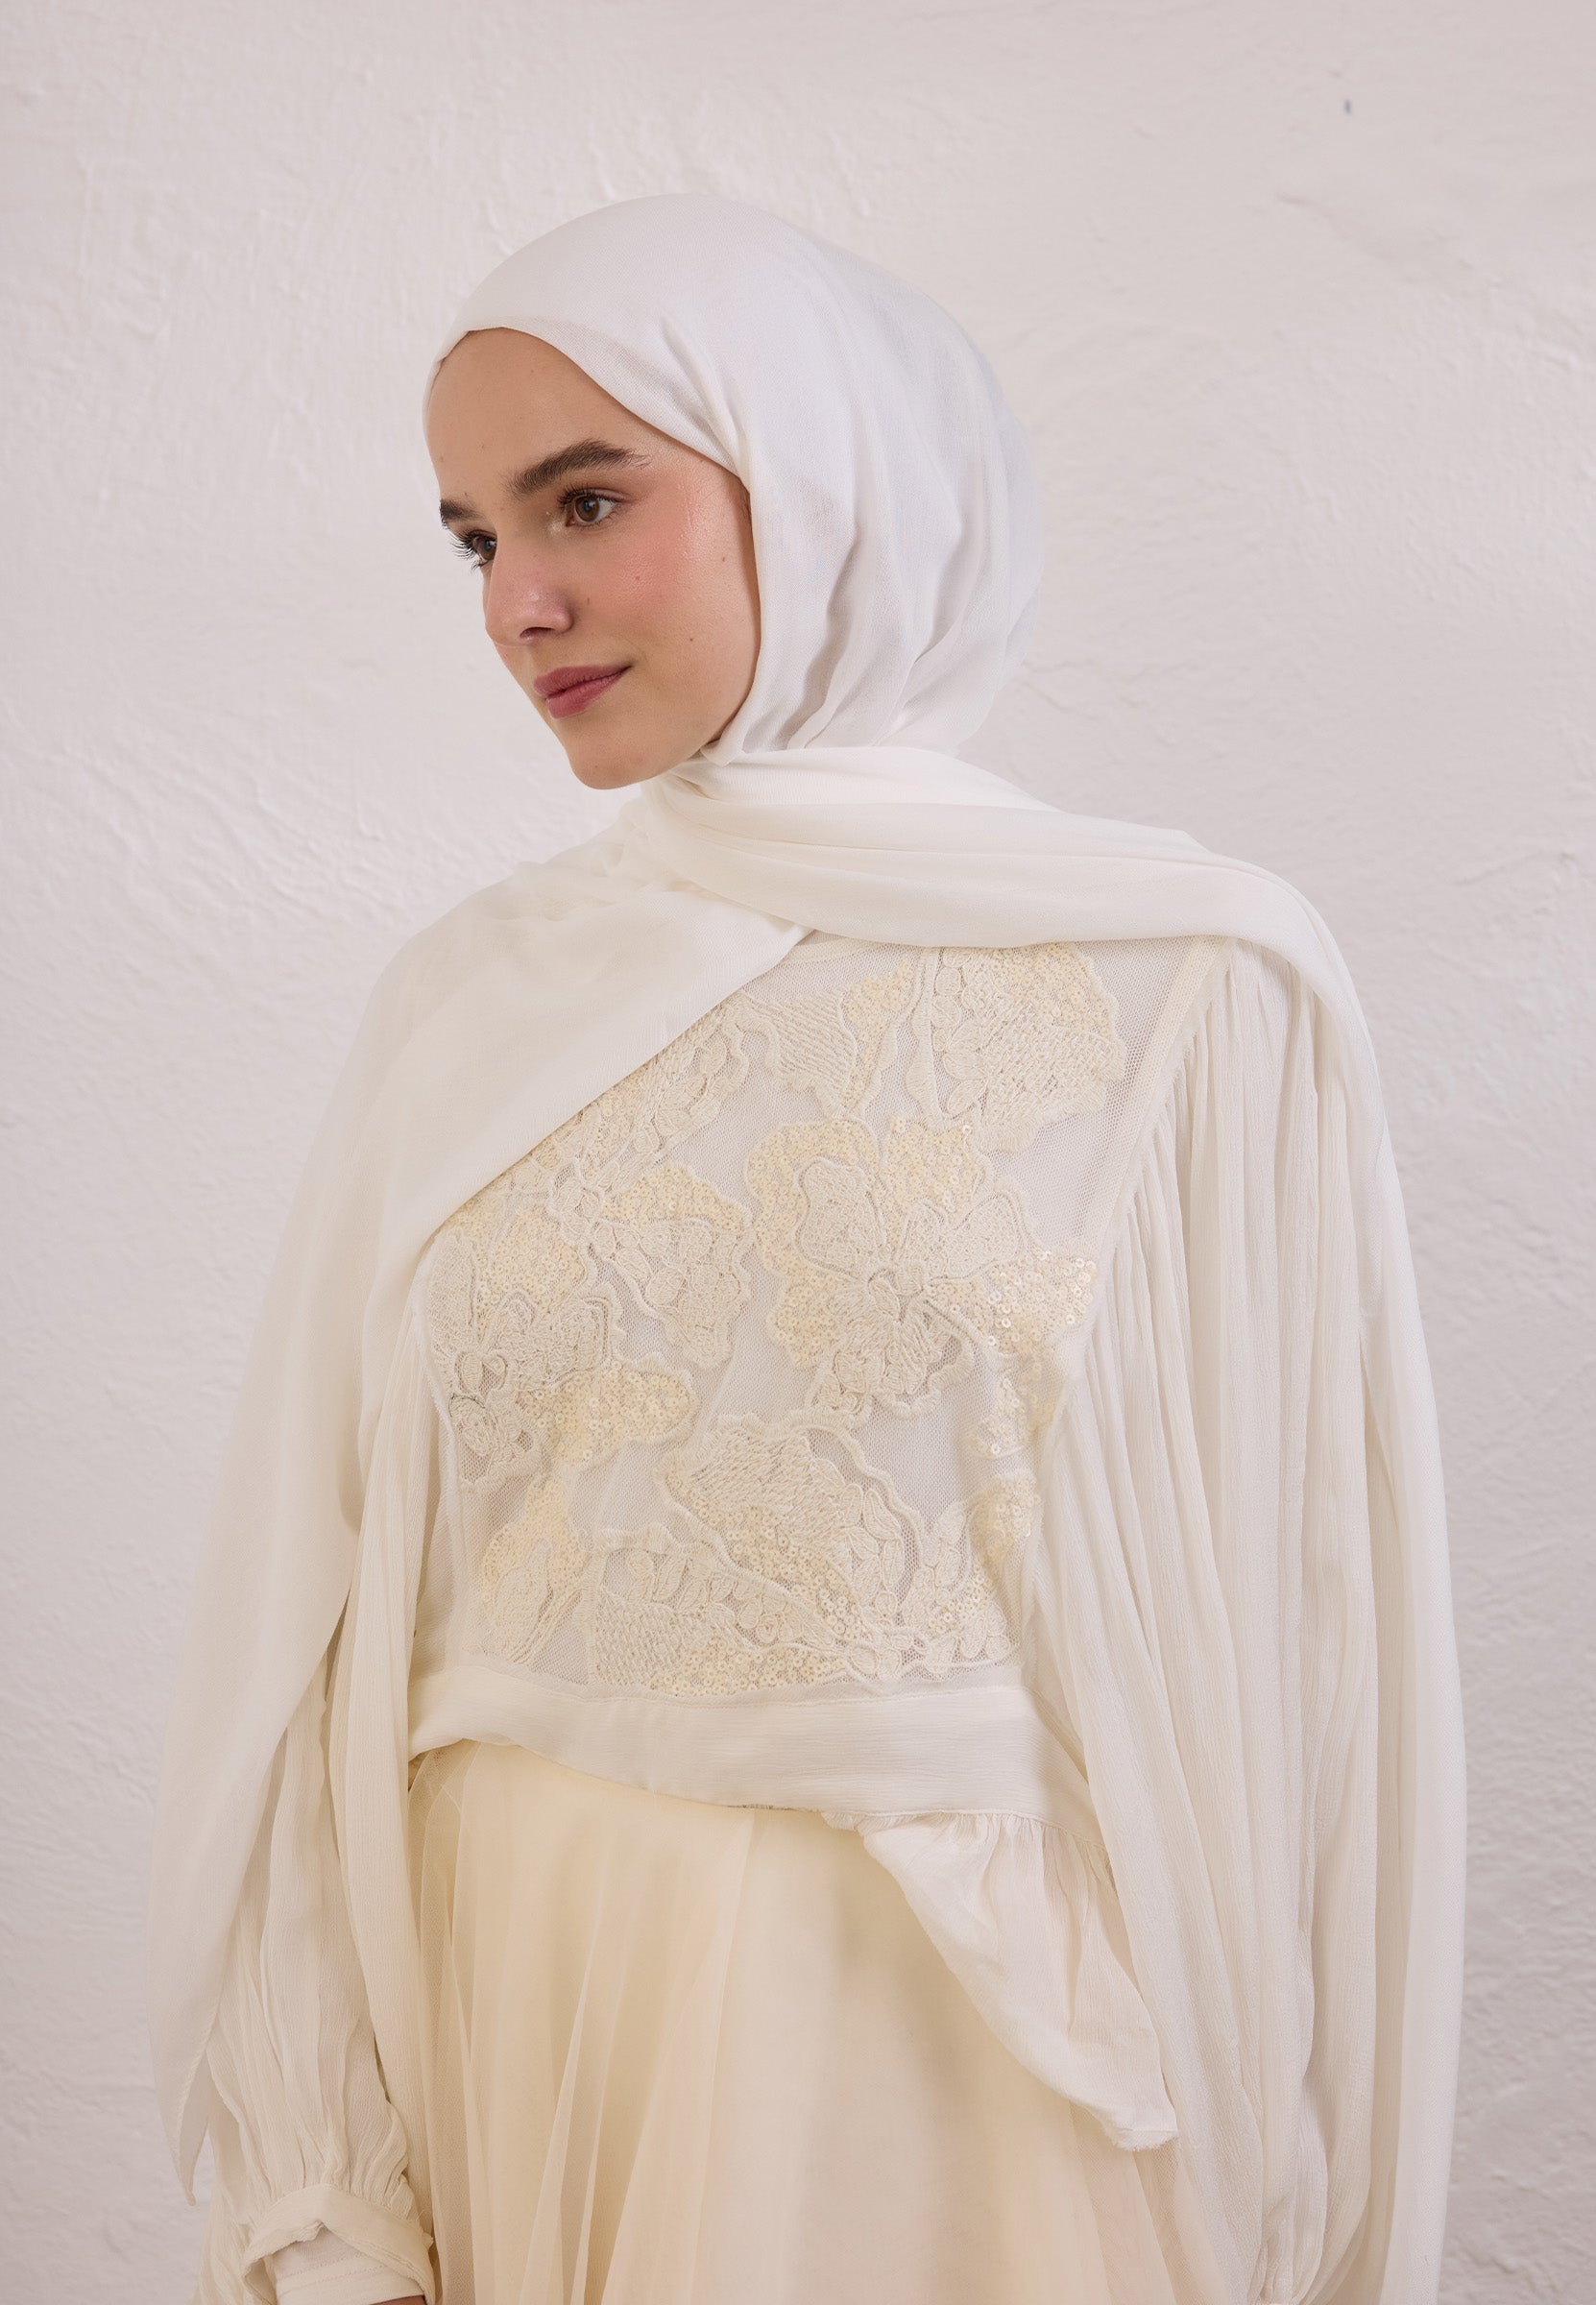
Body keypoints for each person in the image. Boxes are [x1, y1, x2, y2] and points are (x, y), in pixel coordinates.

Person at [146, 193, 1464, 2305]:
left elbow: (1290, 1655)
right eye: (476, 538)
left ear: (831, 483)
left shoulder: (1194, 976)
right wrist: (326, 2176)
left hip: (944, 2055)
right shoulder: (473, 996)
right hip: (521, 1999)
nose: (519, 602)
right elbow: (317, 1603)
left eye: (587, 500)